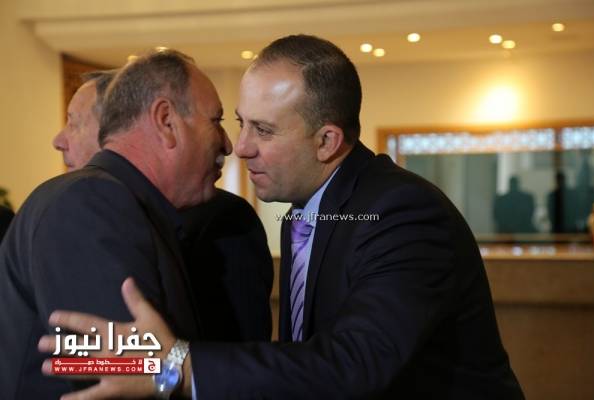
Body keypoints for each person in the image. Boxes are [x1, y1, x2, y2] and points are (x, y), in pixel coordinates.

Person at [40, 35, 524, 399]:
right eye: (239, 123)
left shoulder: (401, 211)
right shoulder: (307, 211)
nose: (240, 147)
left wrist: (180, 368)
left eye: (264, 130)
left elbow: (357, 362)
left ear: (326, 141)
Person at [1, 49, 234, 399]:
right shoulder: (89, 203)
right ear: (166, 121)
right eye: (216, 121)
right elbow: (116, 378)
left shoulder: (119, 202)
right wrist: (174, 371)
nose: (228, 144)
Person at [53, 69, 273, 342]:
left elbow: (238, 350)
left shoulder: (223, 219)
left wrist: (172, 362)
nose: (58, 140)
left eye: (74, 123)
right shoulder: (85, 207)